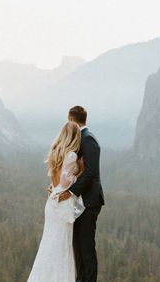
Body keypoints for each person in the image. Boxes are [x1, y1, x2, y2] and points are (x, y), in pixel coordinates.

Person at [27, 121, 85, 282]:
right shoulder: (71, 155)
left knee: (49, 243)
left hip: (52, 200)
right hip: (62, 202)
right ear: (75, 136)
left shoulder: (55, 151)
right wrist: (77, 174)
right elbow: (65, 181)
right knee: (62, 245)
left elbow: (55, 179)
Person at [59, 105, 105, 282]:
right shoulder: (82, 138)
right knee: (77, 246)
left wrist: (70, 192)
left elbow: (91, 172)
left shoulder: (88, 139)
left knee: (86, 247)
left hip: (89, 201)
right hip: (80, 202)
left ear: (71, 120)